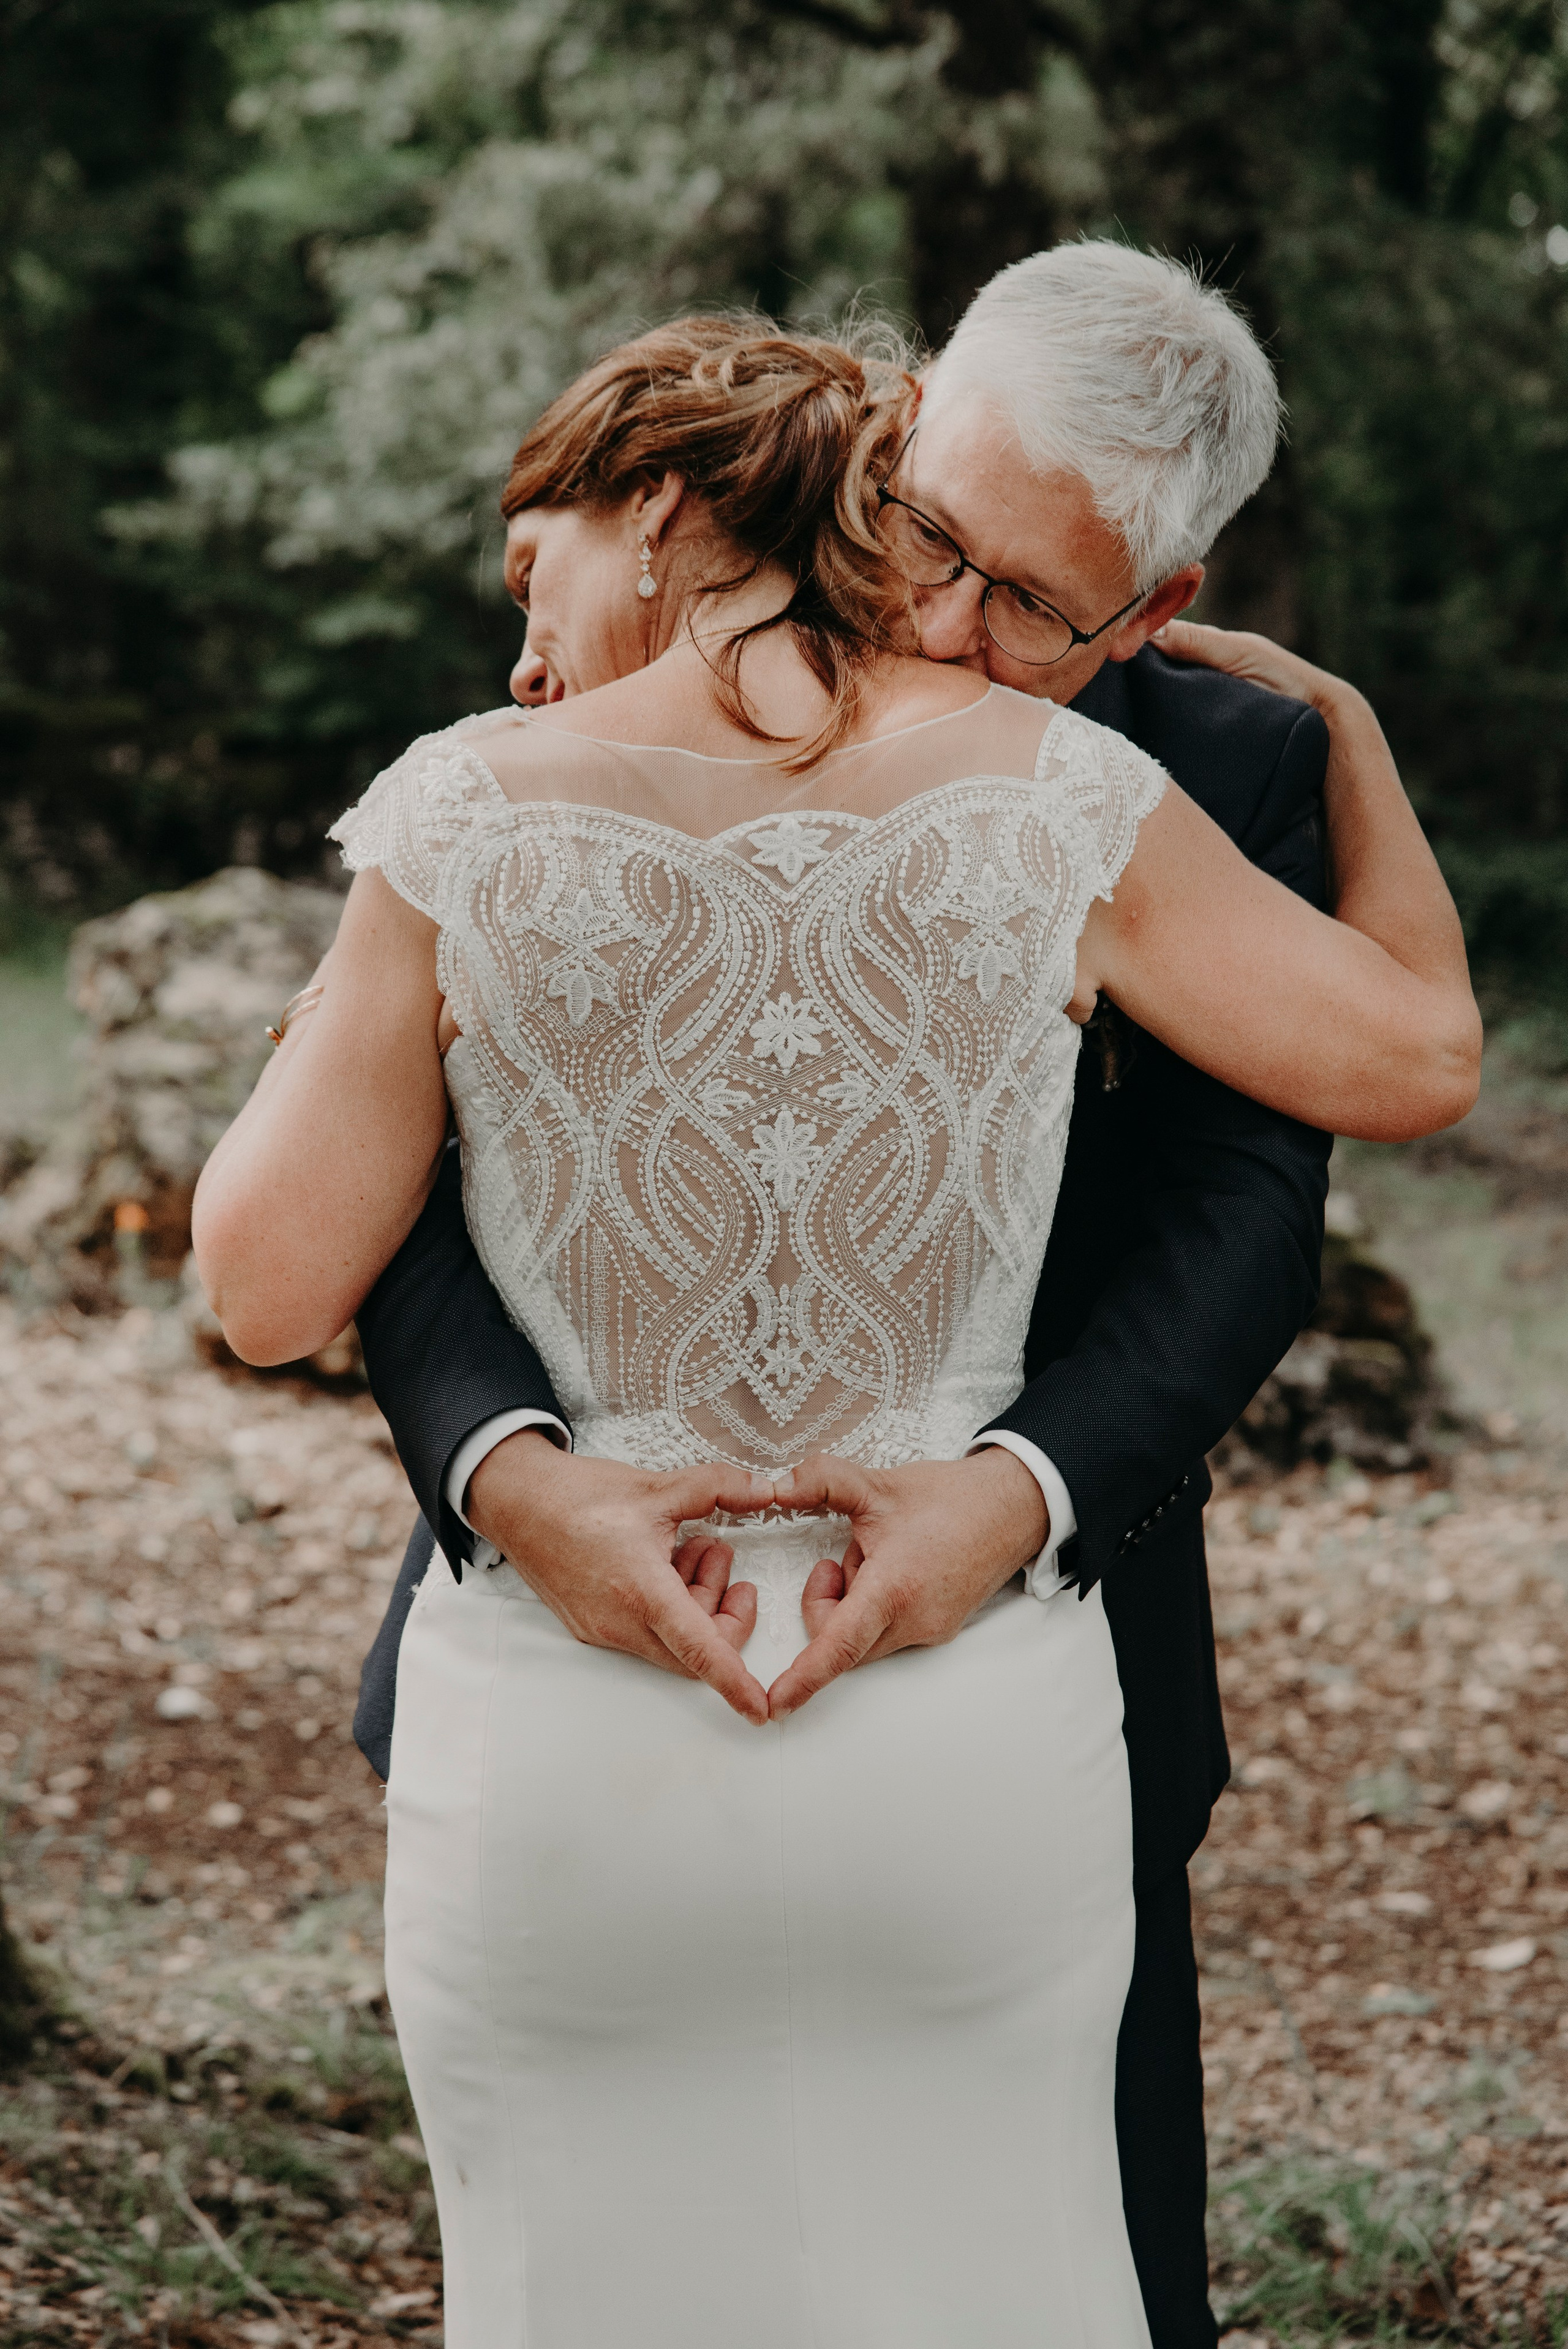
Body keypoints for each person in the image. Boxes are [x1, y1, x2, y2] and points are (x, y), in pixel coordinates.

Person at [194, 290, 1477, 2348]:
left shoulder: (473, 802)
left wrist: (1017, 1491)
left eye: (1022, 596)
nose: (946, 614)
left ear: (1153, 608)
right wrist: (509, 1478)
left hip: (869, 1649)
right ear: (896, 433)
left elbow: (262, 1283)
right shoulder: (1052, 797)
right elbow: (1425, 1048)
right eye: (930, 534)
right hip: (917, 1723)